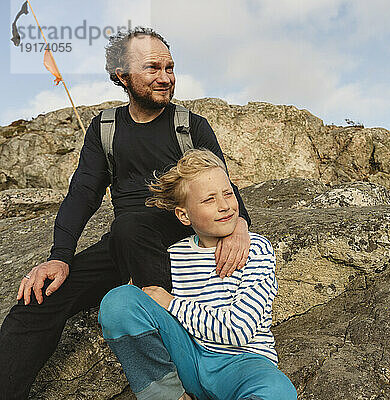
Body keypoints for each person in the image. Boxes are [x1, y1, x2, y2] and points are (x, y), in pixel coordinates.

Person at [0, 27, 251, 400]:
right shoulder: (105, 129)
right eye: (152, 68)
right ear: (122, 76)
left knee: (131, 224)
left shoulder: (190, 126)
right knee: (36, 300)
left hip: (184, 243)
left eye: (169, 67)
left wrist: (241, 226)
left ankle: (178, 375)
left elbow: (222, 186)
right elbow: (83, 193)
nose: (165, 77)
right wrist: (59, 257)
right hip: (124, 243)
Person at [99, 149, 296, 400]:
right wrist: (143, 300)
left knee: (278, 391)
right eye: (209, 200)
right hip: (188, 360)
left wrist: (170, 303)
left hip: (242, 365)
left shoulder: (256, 249)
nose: (224, 206)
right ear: (183, 215)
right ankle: (169, 396)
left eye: (228, 193)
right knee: (119, 301)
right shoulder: (172, 254)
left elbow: (239, 331)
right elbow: (142, 311)